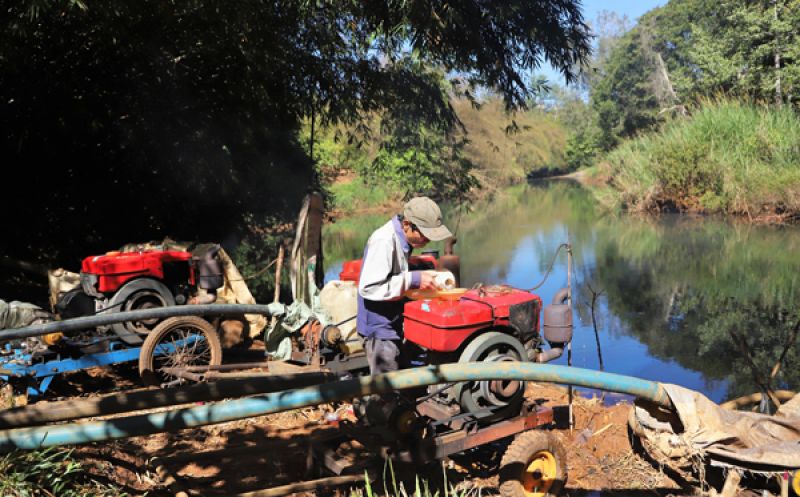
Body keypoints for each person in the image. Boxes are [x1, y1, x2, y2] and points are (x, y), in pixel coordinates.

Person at [357, 196, 453, 377]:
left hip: (394, 320)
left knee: (402, 382)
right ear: (407, 225)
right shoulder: (383, 241)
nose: (427, 240)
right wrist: (414, 279)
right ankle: (369, 405)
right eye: (424, 235)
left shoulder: (403, 239)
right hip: (380, 328)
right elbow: (370, 287)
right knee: (386, 389)